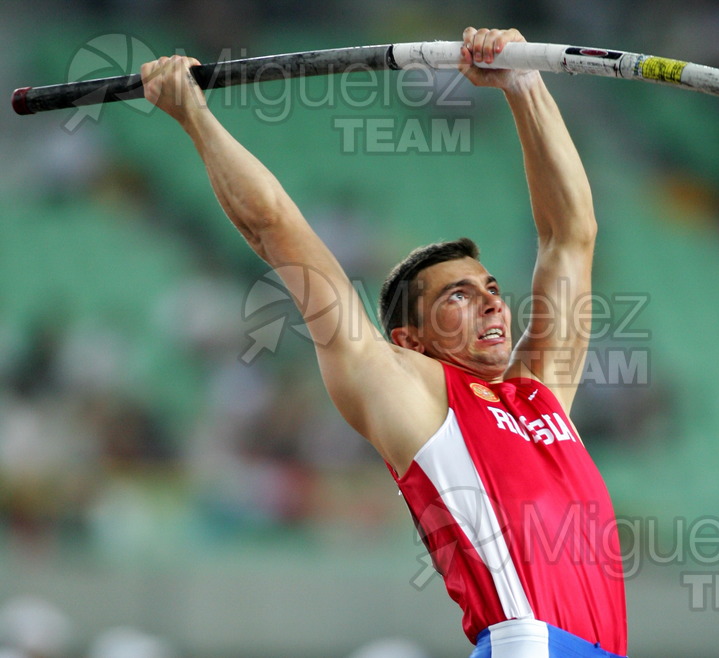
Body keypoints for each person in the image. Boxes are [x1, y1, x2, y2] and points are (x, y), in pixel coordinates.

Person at [141, 27, 627, 657]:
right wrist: (194, 117)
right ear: (410, 339)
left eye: (490, 287)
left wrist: (524, 83)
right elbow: (274, 228)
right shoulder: (410, 392)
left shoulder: (540, 392)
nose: (491, 302)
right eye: (457, 295)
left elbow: (571, 235)